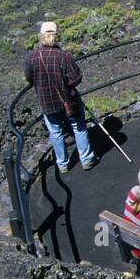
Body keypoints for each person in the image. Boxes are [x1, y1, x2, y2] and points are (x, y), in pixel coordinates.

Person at [24, 20, 98, 172]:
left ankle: (63, 164)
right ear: (56, 36)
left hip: (47, 103)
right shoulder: (63, 56)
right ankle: (87, 159)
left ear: (41, 36)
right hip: (68, 102)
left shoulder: (31, 58)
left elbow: (29, 78)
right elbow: (76, 79)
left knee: (56, 133)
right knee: (79, 128)